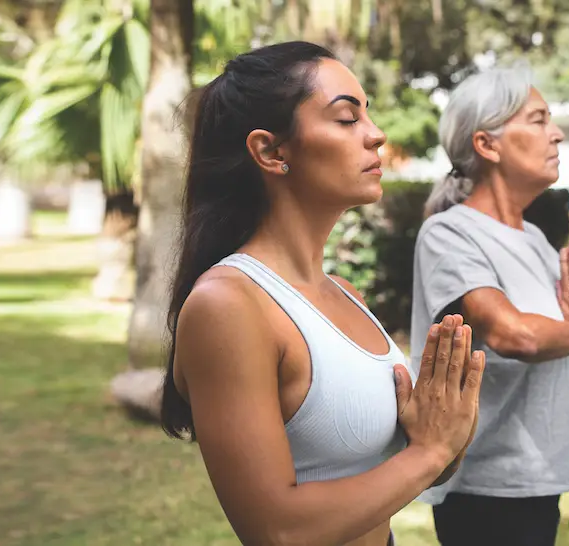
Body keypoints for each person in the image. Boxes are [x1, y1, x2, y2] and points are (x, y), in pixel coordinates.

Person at [158, 41, 486, 546]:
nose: (376, 136)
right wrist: (429, 454)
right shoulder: (227, 305)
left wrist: (440, 437)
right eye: (346, 119)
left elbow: (398, 476)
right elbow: (276, 530)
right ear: (270, 151)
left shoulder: (344, 294)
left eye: (367, 117)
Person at [409, 68, 569, 546]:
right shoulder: (450, 234)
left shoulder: (532, 239)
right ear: (488, 145)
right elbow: (517, 335)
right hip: (485, 489)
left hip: (539, 479)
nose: (555, 134)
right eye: (538, 120)